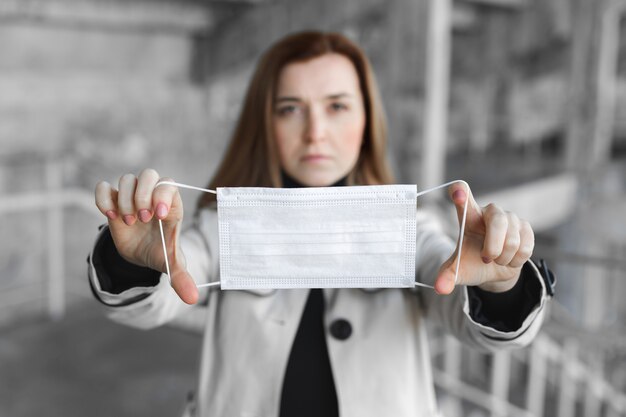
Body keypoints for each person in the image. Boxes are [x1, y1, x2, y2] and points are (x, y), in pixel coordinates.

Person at [88, 31, 552, 417]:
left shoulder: (410, 227)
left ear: (367, 119)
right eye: (290, 108)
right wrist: (134, 261)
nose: (315, 131)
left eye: (337, 106)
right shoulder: (226, 225)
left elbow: (469, 320)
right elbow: (157, 300)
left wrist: (501, 283)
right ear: (264, 124)